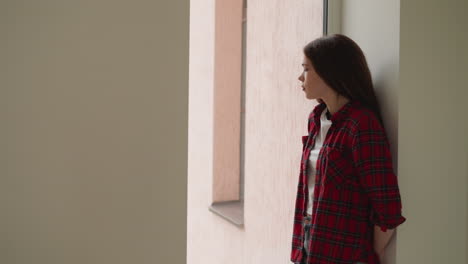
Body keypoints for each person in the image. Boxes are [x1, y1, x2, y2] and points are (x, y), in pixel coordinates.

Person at [290, 34, 406, 264]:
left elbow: (387, 208)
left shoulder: (361, 124)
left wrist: (362, 255)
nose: (300, 77)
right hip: (309, 242)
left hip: (346, 252)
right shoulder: (316, 119)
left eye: (307, 69)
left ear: (329, 71)